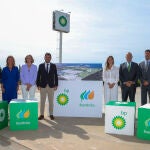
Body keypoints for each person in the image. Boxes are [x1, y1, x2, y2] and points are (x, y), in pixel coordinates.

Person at [36, 52, 58, 120]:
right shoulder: (41, 65)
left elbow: (56, 76)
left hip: (51, 86)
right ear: (44, 58)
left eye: (49, 57)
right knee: (42, 101)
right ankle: (42, 114)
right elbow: (38, 75)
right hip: (42, 86)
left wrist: (56, 84)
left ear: (50, 58)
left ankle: (51, 114)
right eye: (46, 57)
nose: (47, 58)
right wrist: (38, 85)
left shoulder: (53, 65)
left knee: (51, 101)